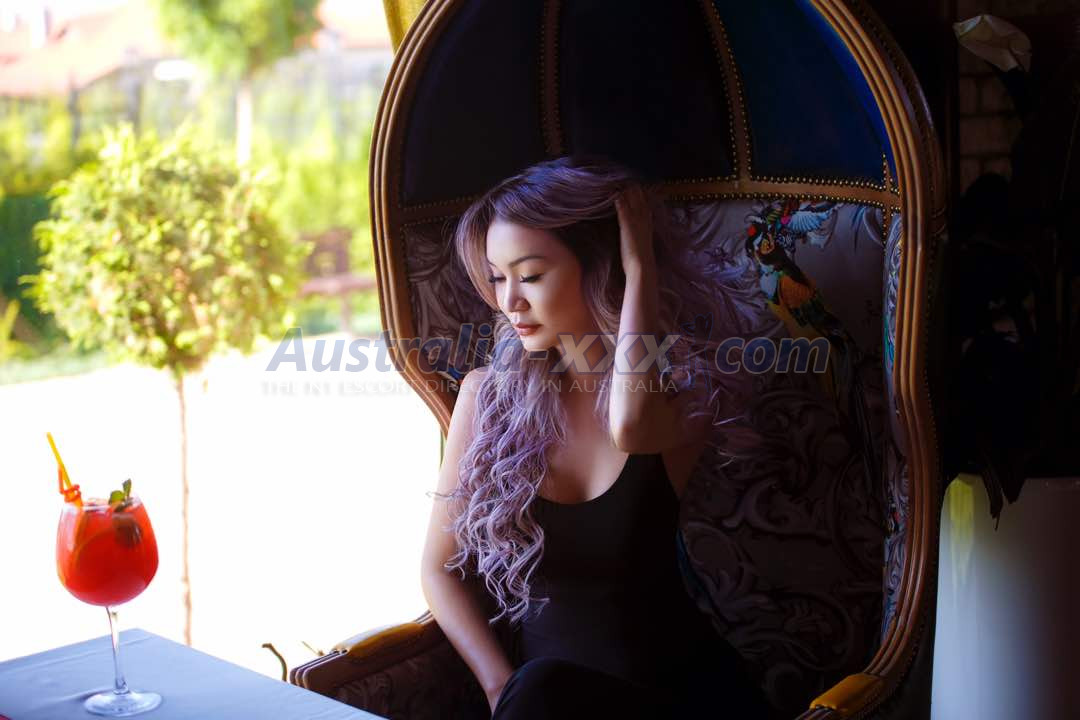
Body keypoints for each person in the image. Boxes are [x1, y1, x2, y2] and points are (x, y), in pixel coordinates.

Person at [419, 155, 769, 718]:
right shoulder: (487, 397)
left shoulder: (679, 396)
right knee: (541, 687)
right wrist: (499, 687)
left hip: (678, 697)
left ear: (600, 269)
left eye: (531, 275)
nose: (509, 302)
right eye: (498, 277)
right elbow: (439, 569)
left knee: (542, 688)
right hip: (543, 705)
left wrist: (639, 268)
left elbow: (629, 427)